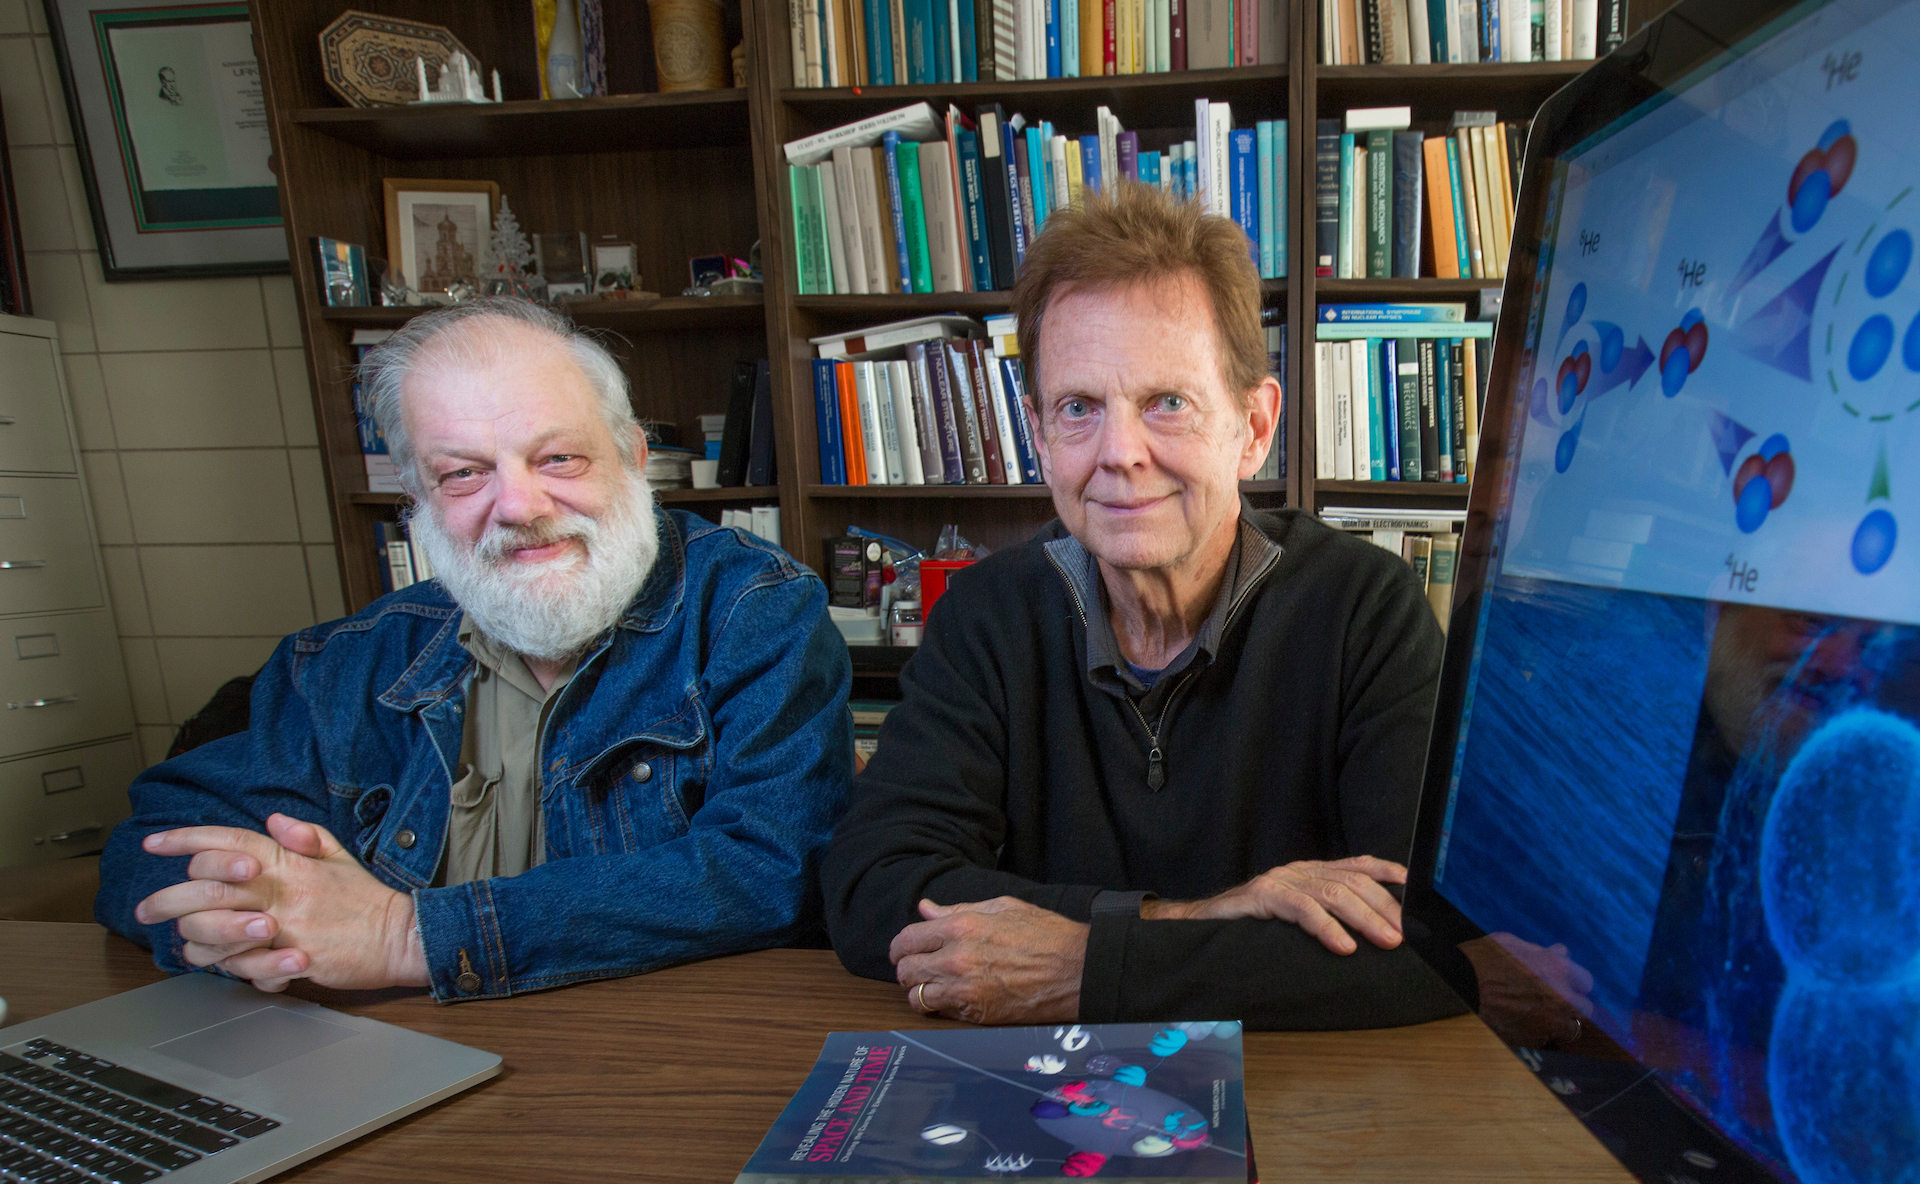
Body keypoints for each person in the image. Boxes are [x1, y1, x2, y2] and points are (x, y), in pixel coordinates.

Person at [822, 184, 1464, 1029]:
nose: (1121, 454)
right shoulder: (988, 615)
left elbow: (1422, 948)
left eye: (1168, 402)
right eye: (1080, 408)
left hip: (1311, 1111)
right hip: (1037, 1103)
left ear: (1255, 424)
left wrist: (1084, 966)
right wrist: (1199, 918)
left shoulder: (1364, 610)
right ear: (1041, 435)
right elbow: (874, 889)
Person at [96, 298, 852, 1001]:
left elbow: (772, 871)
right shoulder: (347, 659)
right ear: (418, 503)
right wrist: (246, 918)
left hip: (664, 1052)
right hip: (398, 1054)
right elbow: (149, 846)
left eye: (558, 459)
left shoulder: (754, 609)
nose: (519, 506)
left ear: (632, 456)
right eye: (463, 474)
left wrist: (405, 936)